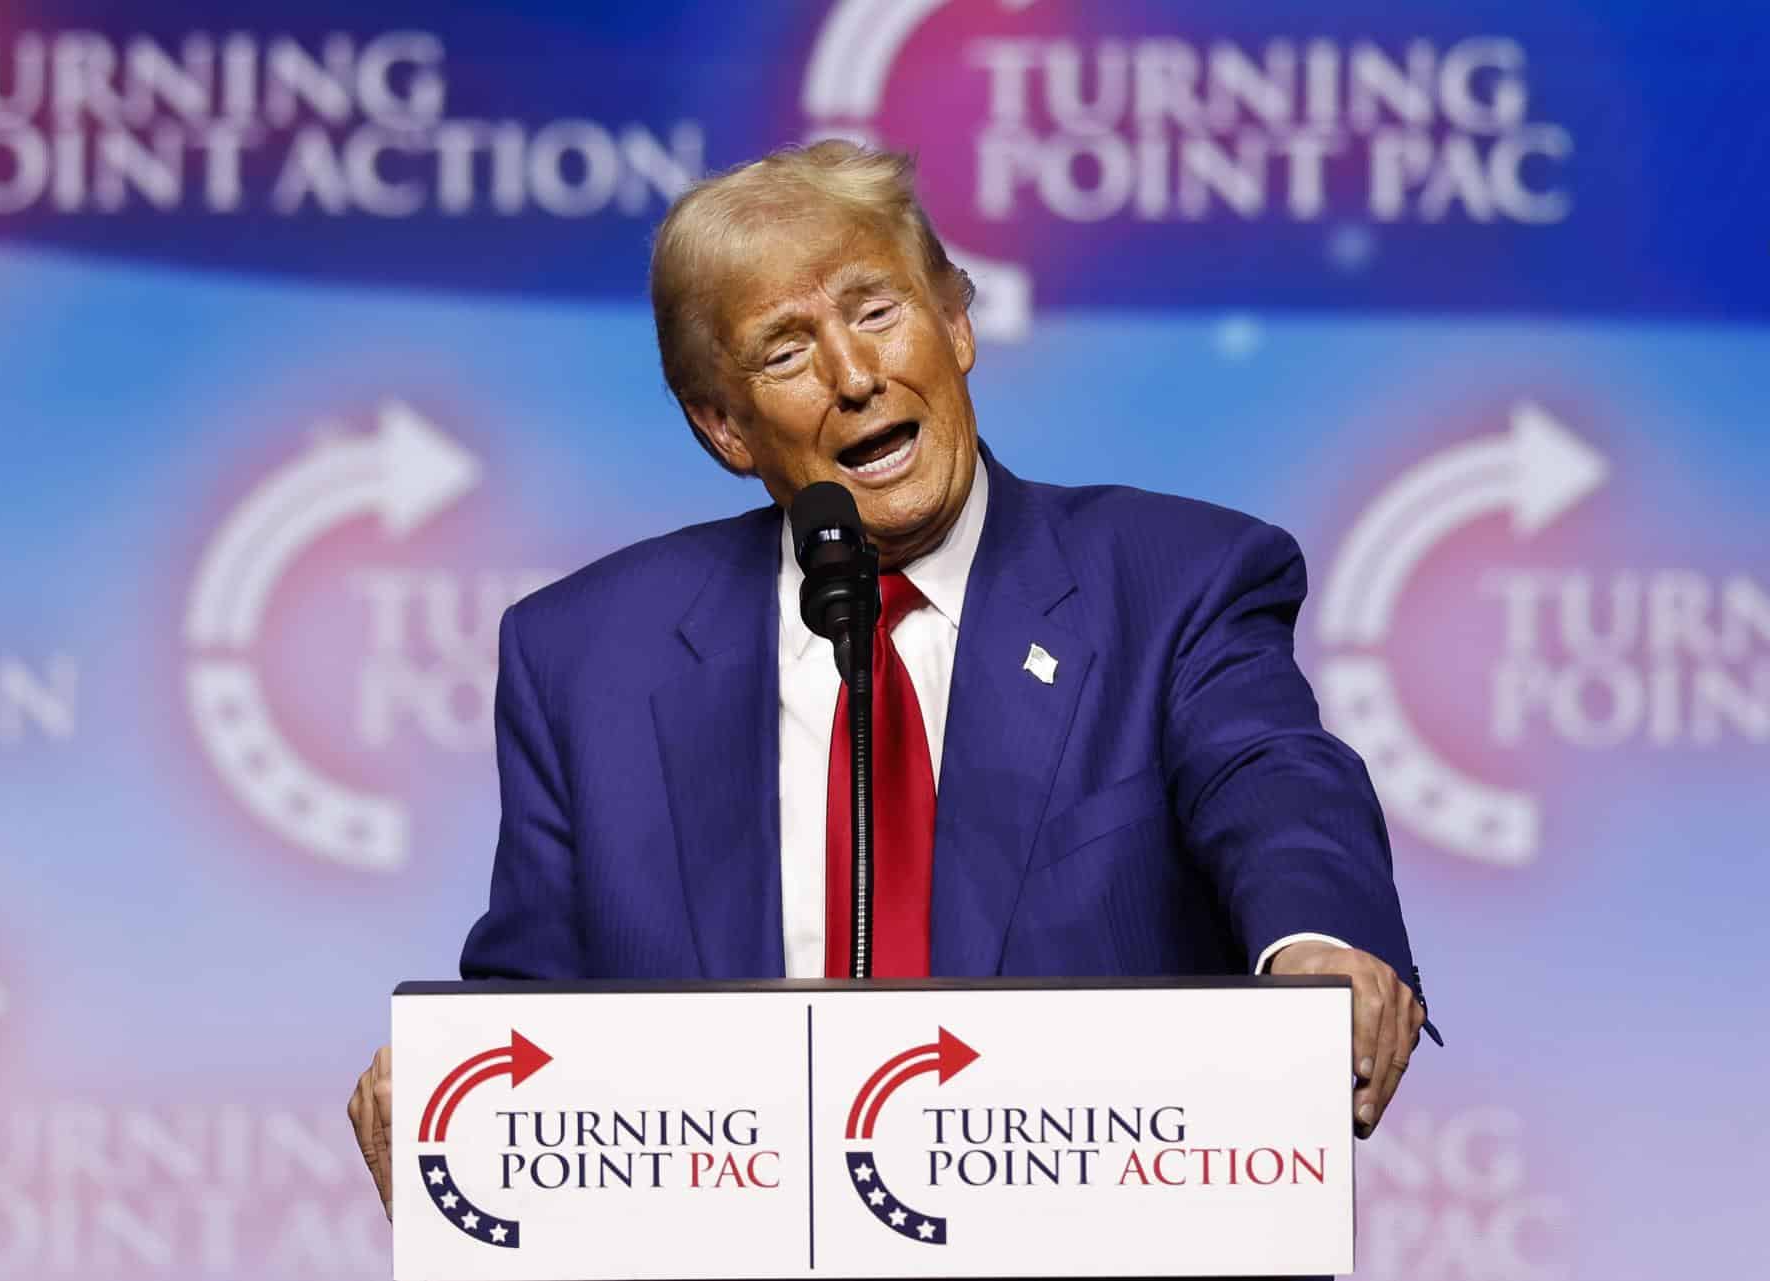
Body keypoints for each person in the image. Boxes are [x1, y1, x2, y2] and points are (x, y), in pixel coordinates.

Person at [347, 141, 1431, 1223]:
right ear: (724, 427)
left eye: (878, 312)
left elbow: (1276, 782)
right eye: (785, 352)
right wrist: (451, 1099)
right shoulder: (585, 657)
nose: (855, 376)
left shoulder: (1176, 583)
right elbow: (535, 1016)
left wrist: (1320, 937)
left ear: (956, 325)